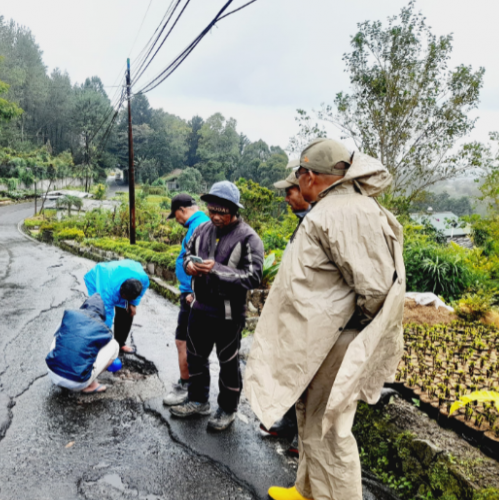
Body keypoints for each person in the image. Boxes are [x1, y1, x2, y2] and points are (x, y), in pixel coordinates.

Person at [244, 138, 406, 500]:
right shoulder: (336, 207)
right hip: (321, 339)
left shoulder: (346, 212)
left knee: (330, 429)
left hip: (337, 339)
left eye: (298, 174)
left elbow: (377, 290)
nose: (296, 183)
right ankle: (308, 490)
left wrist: (347, 332)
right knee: (310, 417)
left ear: (310, 176)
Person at [169, 181, 264, 431]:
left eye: (221, 211)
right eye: (212, 209)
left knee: (228, 361)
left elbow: (254, 276)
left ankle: (228, 408)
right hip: (199, 308)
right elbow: (188, 254)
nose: (215, 216)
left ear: (233, 210)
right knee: (196, 357)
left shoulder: (249, 238)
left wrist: (218, 270)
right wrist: (191, 266)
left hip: (229, 313)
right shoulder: (202, 230)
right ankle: (198, 400)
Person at [257, 166, 312, 452]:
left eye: (289, 192)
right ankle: (290, 424)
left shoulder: (319, 222)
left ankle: (305, 439)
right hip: (294, 313)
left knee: (307, 376)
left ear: (306, 188)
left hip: (311, 317)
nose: (287, 198)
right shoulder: (304, 222)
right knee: (292, 370)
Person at [162, 194, 210, 407]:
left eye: (177, 216)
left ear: (181, 210)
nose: (177, 221)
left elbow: (204, 263)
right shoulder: (198, 225)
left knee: (186, 342)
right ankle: (190, 386)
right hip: (191, 292)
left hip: (193, 294)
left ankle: (188, 387)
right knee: (187, 341)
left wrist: (195, 292)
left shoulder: (199, 226)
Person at [46, 294, 120, 394]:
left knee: (60, 334)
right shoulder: (103, 328)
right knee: (114, 344)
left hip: (52, 372)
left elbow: (57, 335)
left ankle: (60, 367)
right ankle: (91, 384)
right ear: (102, 312)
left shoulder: (70, 314)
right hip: (78, 382)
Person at [84, 260, 150, 354]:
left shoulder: (143, 279)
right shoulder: (107, 290)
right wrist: (106, 342)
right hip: (97, 278)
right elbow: (106, 315)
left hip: (125, 272)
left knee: (126, 312)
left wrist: (133, 304)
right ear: (121, 290)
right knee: (98, 310)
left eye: (127, 299)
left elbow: (142, 290)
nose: (123, 301)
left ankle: (120, 344)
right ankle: (94, 341)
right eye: (124, 298)